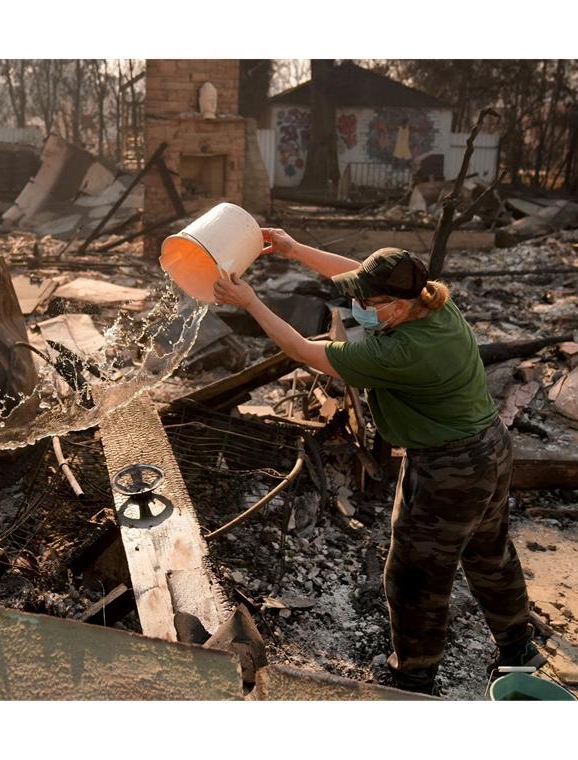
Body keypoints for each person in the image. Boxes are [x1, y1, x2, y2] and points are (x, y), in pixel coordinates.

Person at [213, 228, 544, 696]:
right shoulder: (434, 302)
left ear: (399, 303)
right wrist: (295, 250)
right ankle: (519, 653)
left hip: (448, 468)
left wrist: (250, 302)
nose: (361, 309)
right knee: (489, 554)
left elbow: (303, 351)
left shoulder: (401, 351)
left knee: (415, 576)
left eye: (372, 303)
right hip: (489, 447)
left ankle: (413, 682)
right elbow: (352, 273)